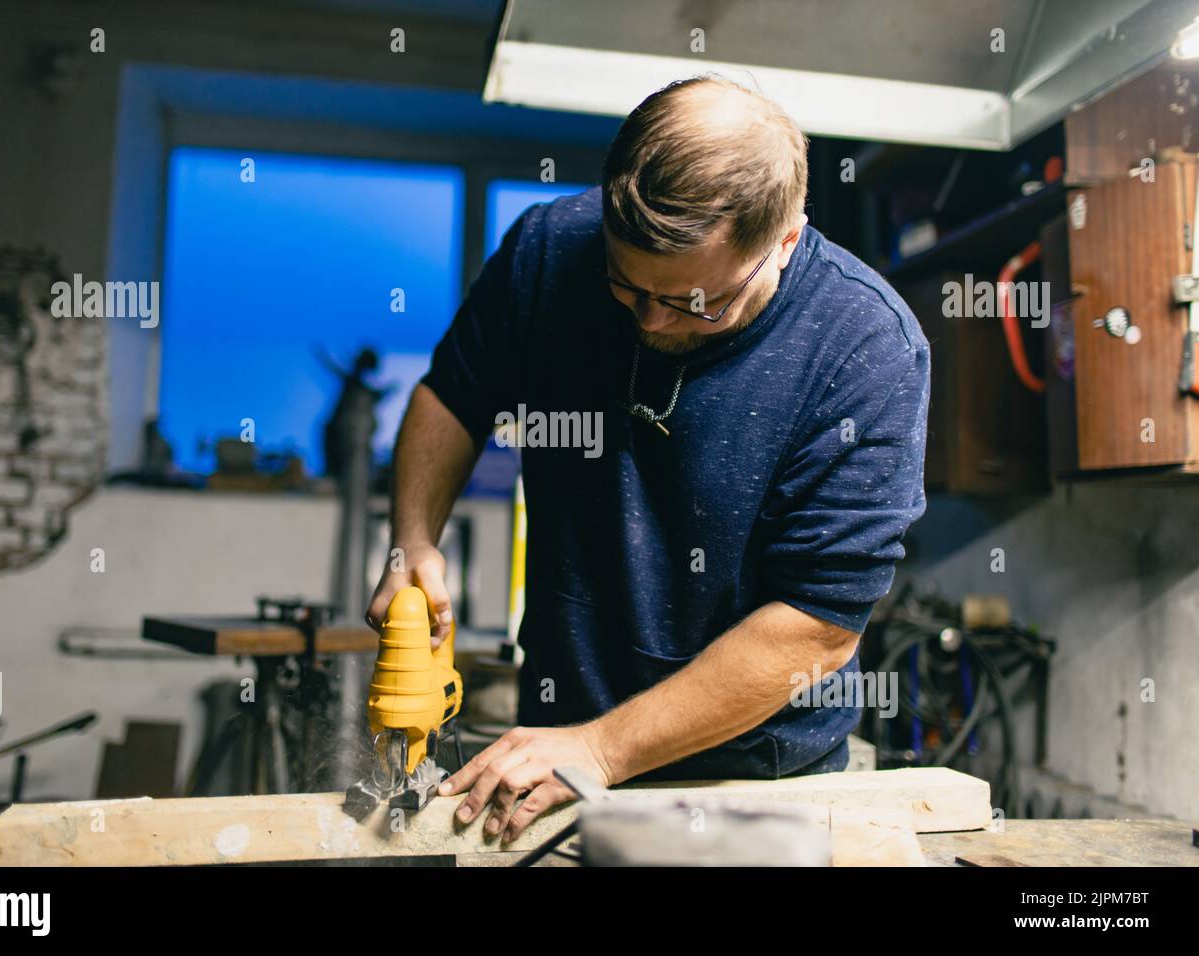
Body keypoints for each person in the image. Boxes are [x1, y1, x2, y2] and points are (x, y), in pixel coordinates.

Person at [367, 75, 930, 844]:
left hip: (748, 779)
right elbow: (451, 397)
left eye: (695, 302)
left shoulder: (866, 352)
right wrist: (414, 537)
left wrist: (602, 748)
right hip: (555, 742)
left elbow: (817, 625)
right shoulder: (549, 251)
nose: (651, 320)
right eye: (626, 287)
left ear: (786, 240)